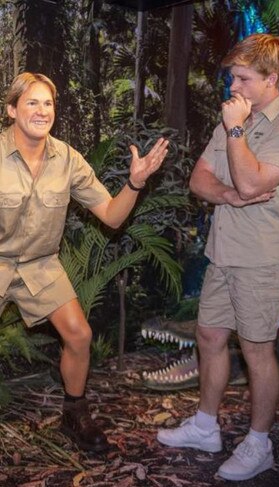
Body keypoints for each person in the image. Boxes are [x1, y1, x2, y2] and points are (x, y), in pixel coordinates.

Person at [156, 33, 279, 481]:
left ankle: (259, 443)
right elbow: (199, 180)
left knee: (257, 349)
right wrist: (225, 192)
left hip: (262, 256)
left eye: (243, 78)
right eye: (231, 78)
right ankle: (206, 426)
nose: (234, 87)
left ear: (271, 78)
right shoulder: (229, 120)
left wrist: (238, 133)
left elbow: (252, 183)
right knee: (208, 335)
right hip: (223, 251)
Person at [0, 72, 168, 451]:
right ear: (12, 110)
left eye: (48, 103)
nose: (42, 111)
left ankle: (74, 415)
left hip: (40, 264)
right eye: (32, 102)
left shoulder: (67, 159)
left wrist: (136, 183)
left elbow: (111, 215)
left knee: (79, 334)